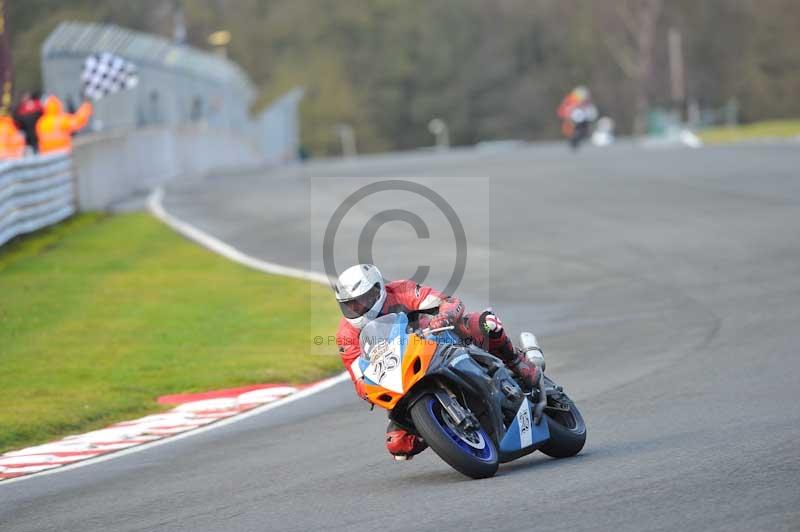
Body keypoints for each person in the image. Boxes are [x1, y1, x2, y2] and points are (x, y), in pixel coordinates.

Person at [334, 263, 543, 460]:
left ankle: (519, 363)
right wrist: (371, 388)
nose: (357, 308)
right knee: (397, 443)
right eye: (350, 305)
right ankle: (444, 429)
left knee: (487, 323)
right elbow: (359, 380)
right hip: (400, 378)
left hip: (437, 342)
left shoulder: (400, 291)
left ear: (377, 290)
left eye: (361, 300)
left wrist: (442, 319)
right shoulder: (346, 335)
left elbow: (450, 302)